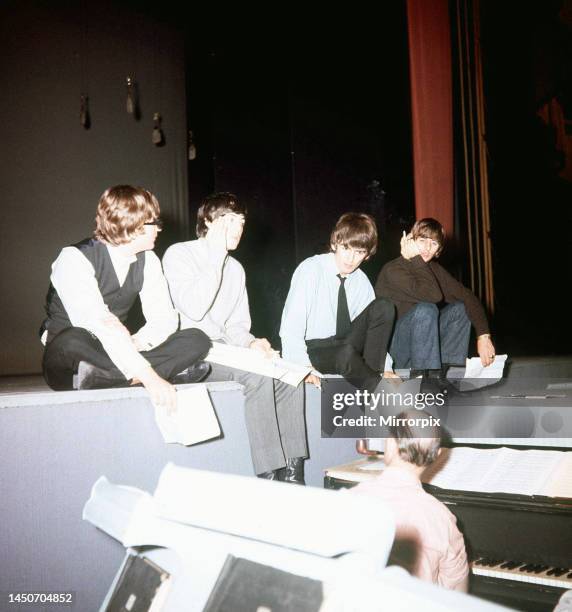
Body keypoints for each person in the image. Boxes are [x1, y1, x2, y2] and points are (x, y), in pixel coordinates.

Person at [163, 192, 308, 483]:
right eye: (229, 221)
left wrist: (252, 342)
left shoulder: (236, 269)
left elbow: (236, 326)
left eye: (241, 222)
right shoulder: (180, 254)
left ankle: (293, 475)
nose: (238, 229)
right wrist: (216, 256)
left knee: (290, 375)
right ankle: (268, 476)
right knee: (258, 377)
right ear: (207, 221)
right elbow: (193, 306)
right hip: (191, 353)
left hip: (225, 351)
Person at [40, 185, 211, 414]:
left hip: (117, 354)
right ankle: (151, 374)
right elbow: (96, 322)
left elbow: (164, 319)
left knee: (197, 339)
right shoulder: (73, 258)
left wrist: (138, 343)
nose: (159, 229)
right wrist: (150, 377)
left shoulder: (149, 260)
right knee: (72, 340)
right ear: (134, 226)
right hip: (73, 358)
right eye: (154, 223)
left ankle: (105, 380)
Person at [351, 410, 469, 591]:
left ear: (389, 444)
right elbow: (457, 596)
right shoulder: (442, 519)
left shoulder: (349, 500)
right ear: (436, 454)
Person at [279, 212, 395, 392]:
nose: (351, 259)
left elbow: (374, 331)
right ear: (334, 244)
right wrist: (302, 367)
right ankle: (387, 398)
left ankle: (377, 375)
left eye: (359, 252)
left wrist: (387, 367)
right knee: (345, 353)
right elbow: (291, 326)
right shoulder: (311, 269)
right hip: (315, 348)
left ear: (367, 255)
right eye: (346, 249)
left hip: (345, 344)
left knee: (384, 307)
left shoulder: (361, 280)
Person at [375, 218, 496, 374]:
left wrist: (483, 336)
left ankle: (448, 376)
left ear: (439, 249)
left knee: (460, 309)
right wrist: (417, 260)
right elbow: (432, 295)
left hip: (423, 348)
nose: (427, 248)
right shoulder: (393, 270)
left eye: (434, 243)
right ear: (410, 241)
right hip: (395, 353)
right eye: (422, 240)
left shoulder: (432, 269)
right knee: (426, 309)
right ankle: (424, 383)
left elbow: (467, 296)